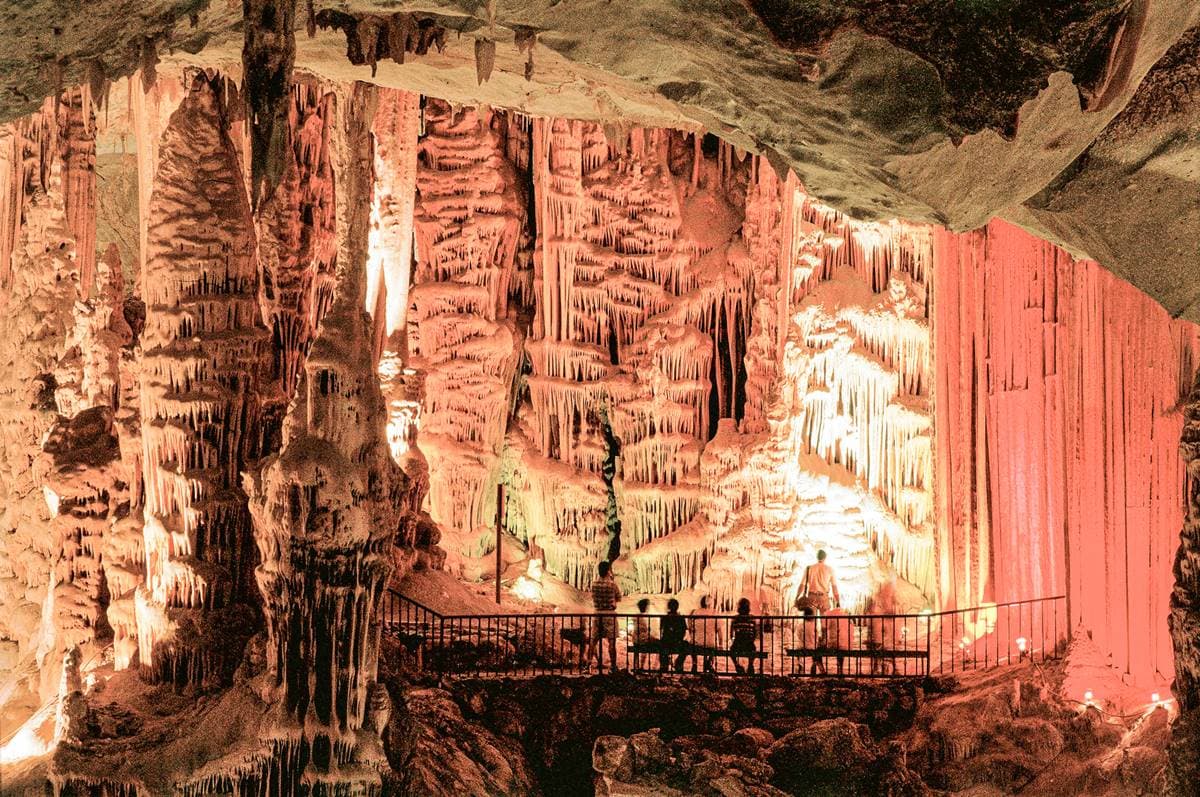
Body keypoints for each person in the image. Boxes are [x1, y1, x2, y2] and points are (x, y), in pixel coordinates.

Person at [590, 561, 622, 673]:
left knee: (593, 641)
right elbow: (619, 598)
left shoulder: (594, 584)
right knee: (611, 642)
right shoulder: (612, 585)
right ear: (608, 571)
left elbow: (593, 597)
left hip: (597, 614)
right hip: (609, 615)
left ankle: (587, 665)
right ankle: (613, 666)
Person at [795, 549, 840, 614]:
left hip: (811, 598)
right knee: (825, 619)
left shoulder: (809, 568)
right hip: (824, 597)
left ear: (817, 557)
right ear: (825, 557)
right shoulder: (830, 569)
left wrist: (797, 597)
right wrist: (838, 601)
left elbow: (802, 585)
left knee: (811, 619)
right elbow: (834, 587)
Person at [687, 595, 722, 673]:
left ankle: (694, 663)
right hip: (710, 645)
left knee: (692, 643)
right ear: (710, 604)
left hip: (696, 644)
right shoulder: (714, 613)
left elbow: (689, 623)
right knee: (712, 645)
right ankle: (709, 662)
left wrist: (691, 632)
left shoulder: (695, 612)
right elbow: (719, 630)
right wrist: (721, 644)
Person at [730, 598, 759, 674]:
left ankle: (737, 665)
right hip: (749, 645)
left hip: (737, 644)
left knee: (731, 650)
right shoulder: (752, 619)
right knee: (753, 649)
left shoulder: (735, 619)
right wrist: (751, 639)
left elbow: (731, 635)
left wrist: (734, 640)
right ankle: (750, 665)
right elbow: (756, 634)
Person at [659, 598, 688, 672]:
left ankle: (664, 664)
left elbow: (661, 630)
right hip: (678, 642)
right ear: (677, 607)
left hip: (666, 642)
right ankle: (679, 662)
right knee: (686, 645)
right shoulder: (681, 618)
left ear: (668, 607)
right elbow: (684, 631)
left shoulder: (665, 618)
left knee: (661, 645)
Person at [798, 605, 825, 675]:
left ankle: (800, 665)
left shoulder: (800, 625)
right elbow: (816, 637)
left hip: (802, 647)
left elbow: (798, 636)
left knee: (811, 647)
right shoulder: (813, 625)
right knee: (818, 650)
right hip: (812, 647)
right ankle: (819, 667)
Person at [632, 598, 655, 670]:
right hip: (643, 639)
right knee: (646, 648)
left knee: (636, 651)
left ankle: (636, 666)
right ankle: (642, 666)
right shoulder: (646, 617)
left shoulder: (635, 616)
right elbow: (647, 629)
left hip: (635, 639)